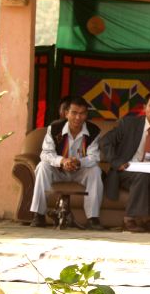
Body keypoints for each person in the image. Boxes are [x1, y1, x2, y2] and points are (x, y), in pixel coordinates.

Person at [100, 93, 150, 233]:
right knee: (143, 175)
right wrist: (117, 162)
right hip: (127, 170)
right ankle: (130, 219)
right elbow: (105, 141)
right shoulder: (129, 124)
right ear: (144, 108)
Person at [29, 96, 104, 230]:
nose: (78, 117)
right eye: (74, 113)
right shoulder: (54, 128)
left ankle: (93, 218)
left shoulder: (94, 131)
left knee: (95, 170)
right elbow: (46, 153)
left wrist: (79, 162)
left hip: (80, 170)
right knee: (42, 166)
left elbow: (94, 157)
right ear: (66, 113)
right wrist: (62, 161)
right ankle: (38, 215)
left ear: (86, 115)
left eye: (82, 113)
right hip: (58, 170)